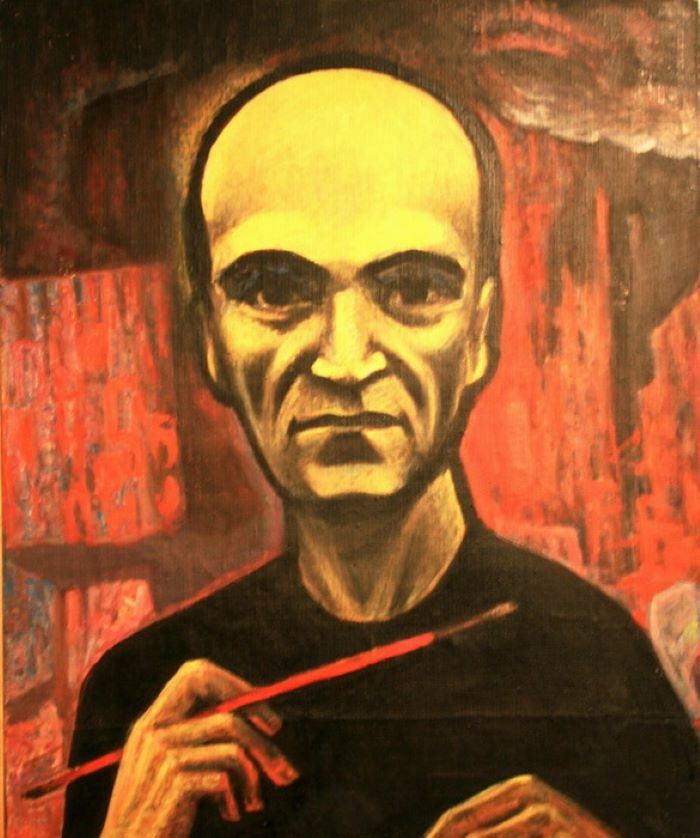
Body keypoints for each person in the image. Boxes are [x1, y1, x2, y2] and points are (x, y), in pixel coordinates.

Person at [63, 62, 698, 837]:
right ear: (209, 342)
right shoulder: (146, 707)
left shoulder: (601, 673)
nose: (345, 360)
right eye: (274, 289)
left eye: (414, 289)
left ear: (480, 332)